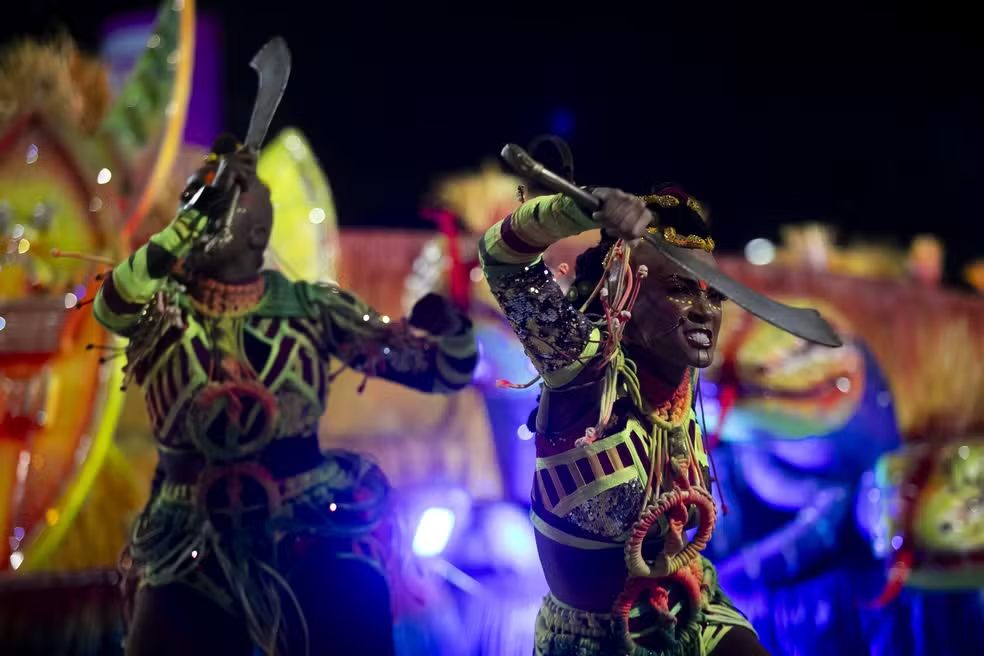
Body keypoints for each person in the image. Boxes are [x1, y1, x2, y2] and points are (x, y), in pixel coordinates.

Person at [93, 135, 477, 656]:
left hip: (310, 521)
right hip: (188, 532)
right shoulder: (159, 310)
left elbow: (437, 372)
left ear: (256, 233)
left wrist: (451, 334)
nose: (205, 207)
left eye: (223, 203)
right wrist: (189, 220)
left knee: (352, 606)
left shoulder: (310, 308)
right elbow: (110, 307)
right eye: (197, 200)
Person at [479, 183, 771, 655]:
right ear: (624, 292)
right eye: (678, 291)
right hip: (596, 643)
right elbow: (500, 259)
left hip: (693, 613)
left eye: (715, 297)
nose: (703, 312)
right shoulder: (582, 372)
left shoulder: (682, 376)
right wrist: (574, 210)